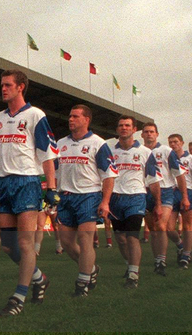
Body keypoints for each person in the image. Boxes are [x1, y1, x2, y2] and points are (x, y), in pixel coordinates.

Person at [0, 69, 57, 316]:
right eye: (1, 84)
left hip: (26, 183)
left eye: (8, 85)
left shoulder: (36, 115)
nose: (3, 88)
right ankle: (39, 278)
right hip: (2, 185)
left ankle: (18, 297)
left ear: (21, 87)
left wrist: (52, 188)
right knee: (9, 247)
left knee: (25, 243)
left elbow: (47, 155)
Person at [52, 105, 117, 296]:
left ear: (86, 119)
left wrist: (105, 201)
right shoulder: (61, 143)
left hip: (89, 195)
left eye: (75, 116)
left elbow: (109, 175)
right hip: (65, 197)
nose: (70, 119)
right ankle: (91, 269)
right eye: (70, 116)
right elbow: (54, 171)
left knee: (85, 239)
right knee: (66, 243)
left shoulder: (98, 144)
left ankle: (82, 284)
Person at [108, 117, 160, 288]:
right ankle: (129, 265)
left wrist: (158, 204)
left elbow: (153, 179)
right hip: (115, 197)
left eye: (127, 126)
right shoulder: (109, 151)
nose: (124, 128)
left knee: (132, 236)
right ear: (117, 129)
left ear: (134, 129)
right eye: (121, 125)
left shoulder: (145, 152)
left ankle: (133, 274)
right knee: (120, 238)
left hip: (136, 197)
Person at [140, 122, 184, 276]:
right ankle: (177, 246)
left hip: (165, 191)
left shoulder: (166, 151)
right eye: (146, 132)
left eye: (152, 131)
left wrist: (184, 197)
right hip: (145, 192)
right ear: (142, 135)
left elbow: (179, 174)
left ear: (157, 134)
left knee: (161, 225)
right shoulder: (140, 151)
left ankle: (161, 261)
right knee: (153, 229)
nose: (149, 134)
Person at [169, 134, 192, 268]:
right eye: (171, 142)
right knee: (168, 227)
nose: (173, 144)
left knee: (188, 227)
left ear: (182, 143)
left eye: (176, 142)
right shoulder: (168, 157)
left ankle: (186, 255)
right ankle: (180, 245)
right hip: (172, 193)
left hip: (189, 193)